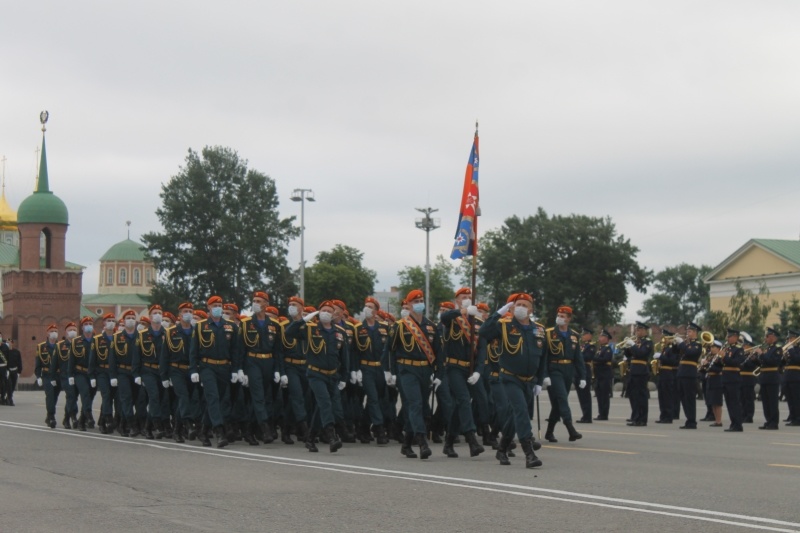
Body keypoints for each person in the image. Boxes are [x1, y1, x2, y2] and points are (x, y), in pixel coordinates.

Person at [479, 293, 545, 468]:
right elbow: (484, 332)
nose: (521, 307)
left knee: (514, 415)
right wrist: (498, 313)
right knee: (521, 411)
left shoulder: (538, 329)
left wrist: (539, 381)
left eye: (524, 304)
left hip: (529, 380)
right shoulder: (504, 325)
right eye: (517, 304)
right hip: (510, 377)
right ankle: (529, 453)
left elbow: (543, 357)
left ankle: (502, 448)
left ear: (531, 309)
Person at [384, 289, 441, 460]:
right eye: (415, 301)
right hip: (406, 370)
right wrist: (390, 372)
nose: (419, 304)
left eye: (421, 300)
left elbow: (438, 352)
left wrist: (438, 374)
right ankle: (422, 441)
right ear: (408, 305)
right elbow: (389, 351)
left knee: (418, 406)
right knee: (415, 403)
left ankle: (407, 443)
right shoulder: (400, 326)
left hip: (425, 371)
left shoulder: (431, 326)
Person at [284, 301, 348, 453]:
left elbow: (344, 357)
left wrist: (344, 378)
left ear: (333, 314)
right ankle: (331, 436)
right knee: (325, 403)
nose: (325, 312)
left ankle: (310, 438)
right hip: (315, 374)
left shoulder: (339, 332)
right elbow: (289, 333)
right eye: (323, 310)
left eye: (328, 310)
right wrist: (303, 320)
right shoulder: (310, 329)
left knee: (321, 407)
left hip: (333, 375)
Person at [189, 296, 243, 448]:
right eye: (215, 305)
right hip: (207, 367)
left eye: (220, 305)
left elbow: (235, 350)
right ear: (209, 307)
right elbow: (193, 351)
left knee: (215, 400)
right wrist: (193, 370)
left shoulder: (231, 326)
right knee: (212, 397)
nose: (218, 308)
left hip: (224, 368)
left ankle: (203, 430)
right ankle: (219, 431)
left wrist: (235, 369)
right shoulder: (200, 326)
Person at [438, 287, 486, 458]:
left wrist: (479, 372)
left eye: (469, 297)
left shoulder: (478, 323)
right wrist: (463, 311)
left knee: (467, 404)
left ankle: (449, 442)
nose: (467, 298)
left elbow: (482, 350)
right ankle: (472, 439)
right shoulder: (452, 318)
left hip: (470, 369)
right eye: (463, 297)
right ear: (457, 300)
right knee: (464, 399)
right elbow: (444, 317)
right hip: (454, 368)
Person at [240, 291, 283, 445]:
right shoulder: (245, 324)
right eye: (254, 300)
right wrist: (240, 370)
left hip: (268, 362)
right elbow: (240, 349)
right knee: (258, 395)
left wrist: (278, 369)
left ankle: (249, 430)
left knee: (262, 397)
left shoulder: (274, 325)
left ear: (266, 304)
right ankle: (265, 428)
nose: (255, 303)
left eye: (259, 300)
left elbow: (277, 350)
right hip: (252, 361)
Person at [352, 296, 391, 445]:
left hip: (380, 368)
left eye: (370, 307)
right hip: (366, 367)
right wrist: (356, 370)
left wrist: (388, 370)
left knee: (377, 400)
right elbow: (354, 351)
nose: (367, 309)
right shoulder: (358, 328)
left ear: (376, 311)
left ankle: (363, 428)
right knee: (373, 398)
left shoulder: (384, 328)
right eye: (366, 306)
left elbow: (388, 350)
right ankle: (380, 430)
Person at [543, 306, 586, 440]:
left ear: (568, 319)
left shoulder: (574, 335)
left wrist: (583, 376)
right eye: (559, 315)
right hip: (554, 369)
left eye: (563, 316)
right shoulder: (548, 333)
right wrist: (544, 375)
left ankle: (549, 432)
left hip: (568, 370)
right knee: (562, 398)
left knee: (558, 403)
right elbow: (543, 356)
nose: (560, 318)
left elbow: (578, 358)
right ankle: (570, 428)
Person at [279, 297, 312, 444]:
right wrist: (281, 372)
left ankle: (286, 429)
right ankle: (305, 431)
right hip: (290, 366)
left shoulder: (309, 326)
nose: (291, 307)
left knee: (299, 400)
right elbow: (279, 352)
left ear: (301, 308)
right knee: (297, 396)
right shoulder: (283, 326)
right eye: (290, 304)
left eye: (294, 304)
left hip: (305, 366)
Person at [111, 310, 142, 437]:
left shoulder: (140, 336)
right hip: (122, 372)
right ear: (123, 321)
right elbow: (112, 359)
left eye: (132, 318)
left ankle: (123, 423)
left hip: (136, 373)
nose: (130, 320)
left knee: (134, 399)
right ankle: (132, 424)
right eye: (128, 318)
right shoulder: (117, 337)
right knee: (126, 398)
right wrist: (113, 376)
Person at [90, 313, 118, 434]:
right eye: (109, 320)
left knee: (111, 397)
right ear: (104, 323)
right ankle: (108, 418)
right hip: (101, 371)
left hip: (115, 373)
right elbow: (92, 359)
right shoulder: (97, 340)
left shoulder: (118, 337)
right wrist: (91, 376)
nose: (111, 322)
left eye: (113, 320)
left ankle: (101, 420)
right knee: (106, 395)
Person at [674, 322, 703, 429]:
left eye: (689, 331)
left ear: (695, 332)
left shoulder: (697, 345)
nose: (687, 333)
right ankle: (688, 419)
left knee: (689, 398)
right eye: (687, 331)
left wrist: (681, 343)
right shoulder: (687, 344)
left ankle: (692, 421)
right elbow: (675, 353)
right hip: (682, 373)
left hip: (690, 374)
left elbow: (690, 353)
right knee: (683, 398)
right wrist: (674, 344)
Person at [69, 316, 96, 431]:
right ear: (82, 327)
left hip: (93, 374)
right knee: (85, 393)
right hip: (80, 372)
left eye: (90, 323)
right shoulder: (76, 341)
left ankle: (82, 421)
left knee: (91, 396)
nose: (88, 326)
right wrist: (70, 375)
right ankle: (89, 415)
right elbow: (72, 359)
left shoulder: (97, 340)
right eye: (86, 324)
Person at [623, 321, 652, 427]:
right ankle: (635, 417)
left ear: (644, 331)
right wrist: (627, 347)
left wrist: (633, 345)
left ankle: (642, 419)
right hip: (633, 370)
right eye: (636, 330)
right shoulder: (637, 342)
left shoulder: (648, 342)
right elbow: (629, 355)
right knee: (633, 395)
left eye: (639, 330)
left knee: (641, 396)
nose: (637, 332)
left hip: (641, 371)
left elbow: (641, 353)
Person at [753, 327, 783, 430]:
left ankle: (774, 422)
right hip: (764, 377)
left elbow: (773, 362)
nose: (765, 338)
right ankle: (768, 420)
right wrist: (755, 359)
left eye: (767, 336)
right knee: (765, 401)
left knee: (772, 401)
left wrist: (761, 354)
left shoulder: (778, 349)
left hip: (772, 377)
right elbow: (763, 363)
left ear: (773, 337)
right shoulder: (768, 349)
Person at [53, 323, 79, 429]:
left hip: (77, 375)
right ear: (66, 332)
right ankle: (73, 416)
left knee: (72, 398)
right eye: (70, 329)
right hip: (64, 376)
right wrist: (52, 377)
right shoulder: (60, 345)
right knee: (71, 395)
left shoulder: (79, 344)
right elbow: (54, 363)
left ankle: (66, 418)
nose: (72, 331)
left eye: (74, 329)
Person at [35, 325, 60, 428]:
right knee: (50, 395)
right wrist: (38, 376)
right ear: (47, 333)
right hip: (46, 375)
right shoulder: (41, 346)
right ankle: (51, 417)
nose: (54, 333)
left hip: (58, 375)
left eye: (55, 331)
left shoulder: (60, 346)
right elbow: (38, 363)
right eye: (52, 331)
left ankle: (49, 415)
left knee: (55, 396)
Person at [721, 328, 745, 432]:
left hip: (734, 379)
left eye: (729, 336)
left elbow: (736, 362)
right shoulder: (728, 349)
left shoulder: (739, 349)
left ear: (735, 337)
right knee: (729, 403)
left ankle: (738, 424)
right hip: (726, 378)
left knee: (735, 402)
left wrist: (724, 357)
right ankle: (733, 423)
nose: (728, 338)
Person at [655, 329, 679, 424]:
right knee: (662, 396)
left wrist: (660, 357)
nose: (662, 338)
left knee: (667, 396)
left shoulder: (671, 348)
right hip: (662, 373)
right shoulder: (665, 348)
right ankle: (663, 415)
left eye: (664, 336)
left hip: (668, 373)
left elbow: (672, 361)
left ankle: (668, 416)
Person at [593, 329, 614, 420]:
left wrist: (593, 358)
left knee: (604, 396)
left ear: (606, 338)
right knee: (599, 395)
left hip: (605, 375)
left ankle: (604, 414)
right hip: (599, 375)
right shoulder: (600, 349)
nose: (599, 338)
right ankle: (600, 413)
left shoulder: (608, 349)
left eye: (602, 337)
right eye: (600, 336)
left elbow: (605, 359)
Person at [576, 327, 595, 423]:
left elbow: (586, 357)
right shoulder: (582, 346)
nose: (582, 336)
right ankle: (584, 415)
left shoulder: (591, 346)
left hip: (585, 371)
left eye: (584, 334)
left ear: (589, 335)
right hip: (578, 372)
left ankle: (587, 416)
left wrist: (577, 355)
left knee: (585, 395)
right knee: (581, 395)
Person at [704, 341, 724, 427]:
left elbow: (719, 369)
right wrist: (704, 365)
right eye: (711, 347)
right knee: (712, 401)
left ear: (719, 349)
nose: (711, 349)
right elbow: (707, 369)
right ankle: (716, 420)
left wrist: (708, 364)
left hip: (717, 379)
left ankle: (719, 421)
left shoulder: (720, 358)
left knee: (717, 402)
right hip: (710, 379)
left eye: (714, 347)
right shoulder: (711, 357)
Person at [739, 333, 758, 423]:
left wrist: (747, 359)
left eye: (745, 345)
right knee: (742, 398)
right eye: (743, 345)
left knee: (748, 398)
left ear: (749, 346)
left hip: (749, 377)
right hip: (741, 377)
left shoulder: (753, 356)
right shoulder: (742, 355)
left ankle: (749, 416)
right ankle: (743, 414)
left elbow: (751, 365)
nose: (743, 347)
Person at [783, 328, 800, 426]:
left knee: (796, 398)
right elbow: (783, 363)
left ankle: (798, 418)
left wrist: (791, 350)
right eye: (789, 338)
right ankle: (793, 417)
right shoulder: (789, 349)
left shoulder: (796, 349)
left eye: (791, 338)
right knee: (790, 398)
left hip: (796, 376)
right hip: (788, 375)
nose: (789, 340)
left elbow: (797, 359)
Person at [4, 339, 21, 406]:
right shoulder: (5, 352)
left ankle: (8, 397)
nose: (8, 344)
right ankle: (10, 399)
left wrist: (19, 371)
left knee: (13, 386)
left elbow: (19, 362)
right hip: (8, 371)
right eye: (7, 342)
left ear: (12, 343)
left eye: (9, 342)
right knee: (9, 385)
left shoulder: (16, 352)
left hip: (15, 371)